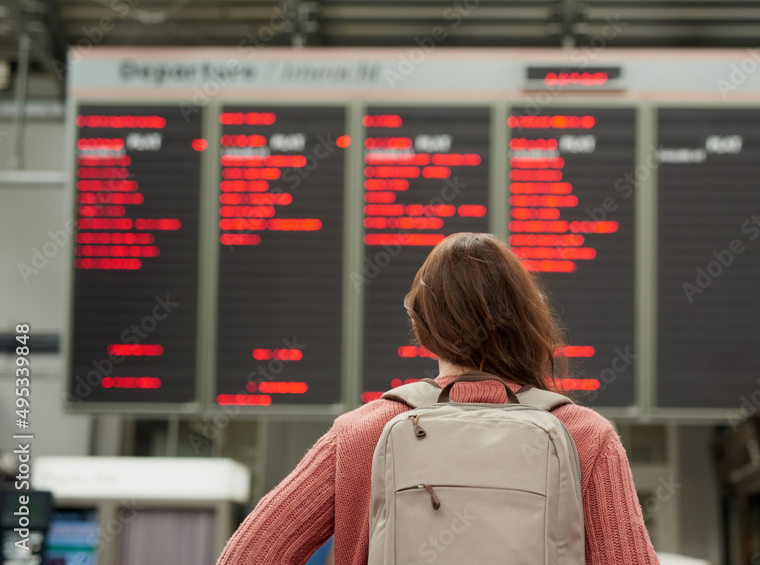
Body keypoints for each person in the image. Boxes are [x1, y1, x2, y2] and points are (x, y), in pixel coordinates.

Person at [216, 232, 658, 565]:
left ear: (424, 325)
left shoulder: (361, 433)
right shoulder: (585, 436)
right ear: (528, 319)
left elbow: (246, 557)